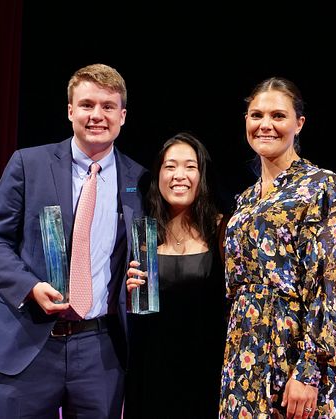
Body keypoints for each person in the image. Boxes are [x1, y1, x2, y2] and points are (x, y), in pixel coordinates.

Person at [0, 63, 148, 419]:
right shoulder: (28, 163)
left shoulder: (140, 179)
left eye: (108, 106)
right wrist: (28, 287)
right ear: (70, 111)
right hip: (29, 343)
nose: (97, 115)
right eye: (86, 105)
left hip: (101, 351)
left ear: (123, 115)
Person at [219, 78, 336, 419]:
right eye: (256, 115)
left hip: (294, 354)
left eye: (278, 115)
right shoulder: (246, 199)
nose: (265, 125)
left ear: (299, 124)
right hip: (243, 353)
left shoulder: (323, 186)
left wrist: (310, 369)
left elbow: (332, 285)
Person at [124, 132, 228, 418]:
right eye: (169, 166)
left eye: (189, 166)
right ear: (157, 175)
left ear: (202, 175)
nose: (178, 175)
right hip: (151, 374)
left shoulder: (223, 232)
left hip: (208, 375)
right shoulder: (142, 235)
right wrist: (128, 293)